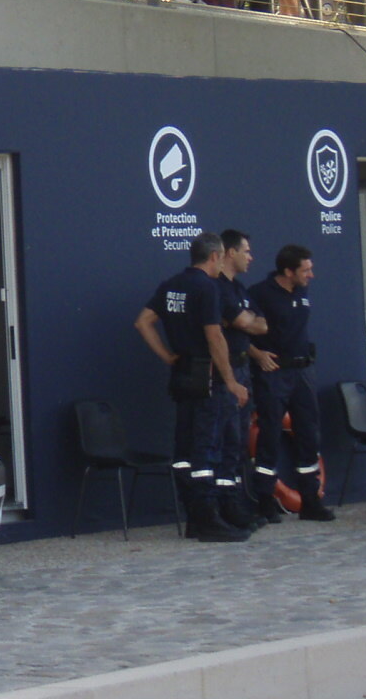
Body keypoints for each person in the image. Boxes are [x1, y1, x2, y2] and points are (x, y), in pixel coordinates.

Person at [134, 230, 252, 542]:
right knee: (206, 448)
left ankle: (195, 518)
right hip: (207, 376)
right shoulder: (208, 288)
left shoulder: (172, 284)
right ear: (215, 256)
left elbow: (143, 322)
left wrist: (167, 356)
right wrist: (231, 381)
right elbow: (214, 336)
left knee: (184, 449)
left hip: (182, 373)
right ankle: (208, 520)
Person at [248, 245, 334, 521]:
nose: (311, 275)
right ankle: (264, 501)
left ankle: (310, 501)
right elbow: (238, 329)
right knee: (270, 433)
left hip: (303, 372)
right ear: (288, 271)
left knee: (308, 434)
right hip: (274, 373)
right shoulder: (259, 294)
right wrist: (257, 354)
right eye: (306, 270)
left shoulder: (302, 291)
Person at [215, 229, 270, 531]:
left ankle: (238, 502)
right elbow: (241, 323)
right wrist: (245, 323)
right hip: (225, 374)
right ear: (229, 252)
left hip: (244, 369)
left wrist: (247, 323)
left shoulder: (240, 289)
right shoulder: (218, 288)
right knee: (227, 440)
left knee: (239, 442)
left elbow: (260, 325)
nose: (251, 257)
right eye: (246, 251)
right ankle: (226, 506)